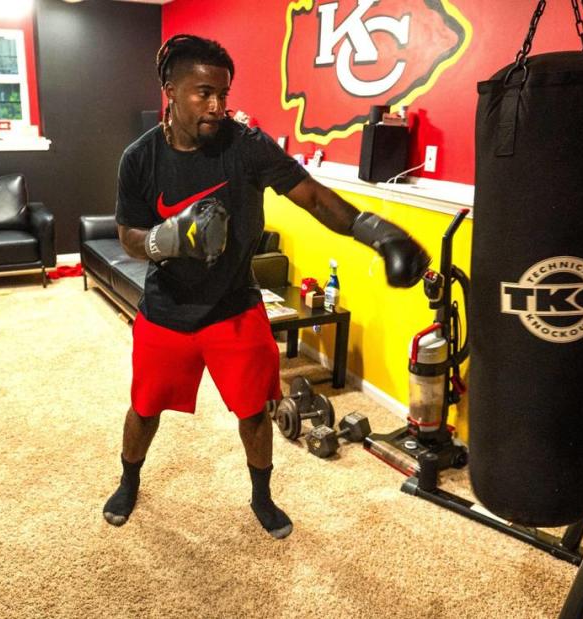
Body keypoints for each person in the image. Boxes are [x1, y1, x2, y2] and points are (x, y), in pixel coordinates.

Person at [103, 34, 430, 539]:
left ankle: (262, 495)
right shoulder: (139, 159)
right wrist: (164, 241)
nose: (217, 106)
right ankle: (129, 481)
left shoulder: (246, 145)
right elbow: (126, 235)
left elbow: (316, 198)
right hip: (167, 309)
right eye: (203, 93)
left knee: (255, 412)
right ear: (169, 89)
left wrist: (376, 231)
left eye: (224, 94)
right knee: (145, 409)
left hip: (235, 308)